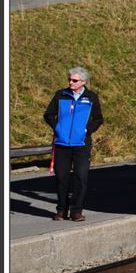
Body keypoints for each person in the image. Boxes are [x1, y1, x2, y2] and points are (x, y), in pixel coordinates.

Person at [43, 67, 104, 222]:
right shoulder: (60, 95)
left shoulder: (91, 97)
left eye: (74, 80)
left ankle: (76, 211)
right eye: (69, 79)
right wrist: (58, 127)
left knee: (80, 177)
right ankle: (61, 210)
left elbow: (98, 119)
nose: (70, 82)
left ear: (83, 82)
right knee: (61, 178)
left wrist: (86, 130)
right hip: (62, 144)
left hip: (82, 144)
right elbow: (48, 114)